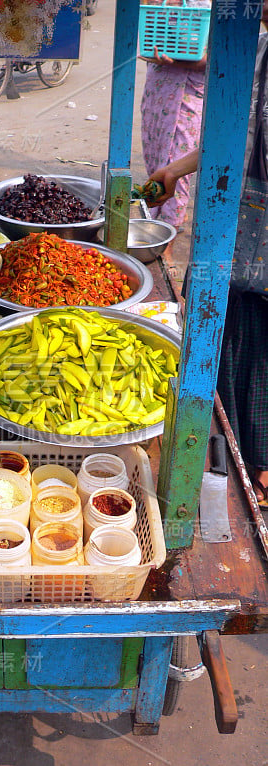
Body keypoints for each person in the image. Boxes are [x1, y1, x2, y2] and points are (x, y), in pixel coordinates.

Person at [147, 21, 268, 506]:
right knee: (226, 340)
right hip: (234, 233)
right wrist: (174, 170)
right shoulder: (252, 49)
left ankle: (259, 465)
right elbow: (228, 132)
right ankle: (238, 455)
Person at [139, 0, 210, 260]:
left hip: (188, 95)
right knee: (156, 159)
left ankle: (166, 237)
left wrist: (183, 60)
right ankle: (159, 220)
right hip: (159, 90)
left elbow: (213, 59)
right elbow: (149, 44)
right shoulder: (158, 4)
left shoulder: (209, 7)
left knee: (175, 167)